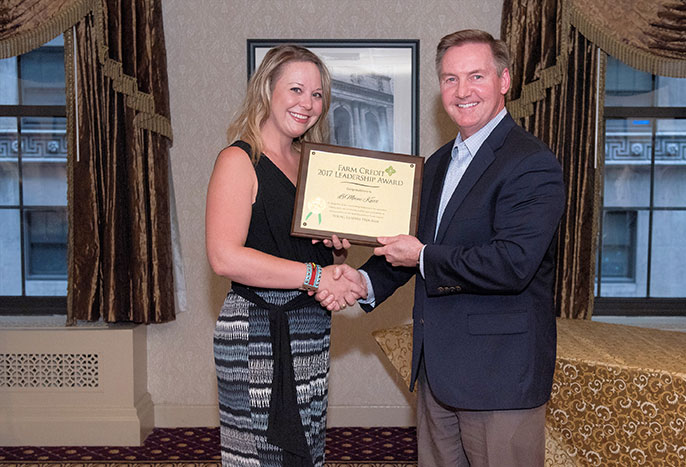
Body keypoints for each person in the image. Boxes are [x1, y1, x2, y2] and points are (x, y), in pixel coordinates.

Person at [320, 30, 565, 466]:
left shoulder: (531, 163)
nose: (463, 90)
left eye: (476, 76)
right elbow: (406, 251)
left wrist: (422, 257)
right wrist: (359, 281)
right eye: (450, 79)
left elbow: (512, 263)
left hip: (499, 378)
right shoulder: (435, 165)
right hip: (438, 374)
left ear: (504, 80)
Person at [206, 45, 365, 467]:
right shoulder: (238, 160)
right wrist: (315, 276)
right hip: (257, 328)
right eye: (296, 89)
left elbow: (293, 249)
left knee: (306, 450)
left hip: (309, 325)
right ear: (267, 90)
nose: (307, 104)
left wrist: (333, 252)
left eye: (317, 95)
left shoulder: (310, 163)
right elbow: (224, 257)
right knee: (257, 455)